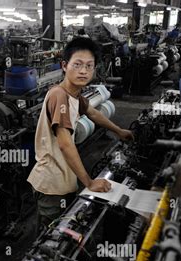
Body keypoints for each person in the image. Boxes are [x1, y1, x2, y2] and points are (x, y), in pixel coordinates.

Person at [27, 37, 134, 233]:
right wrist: (89, 182)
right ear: (64, 66)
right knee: (50, 238)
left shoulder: (75, 95)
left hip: (65, 179)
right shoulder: (59, 95)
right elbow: (65, 144)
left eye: (89, 66)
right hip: (51, 184)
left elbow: (94, 114)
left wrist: (119, 131)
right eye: (77, 65)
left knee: (64, 227)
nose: (83, 71)